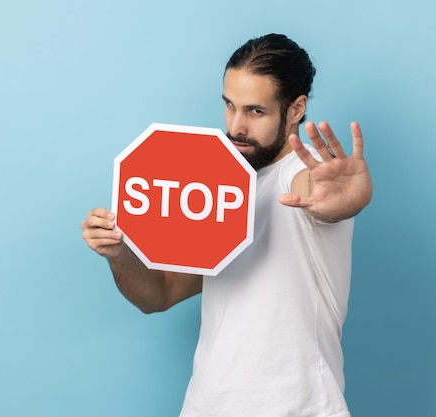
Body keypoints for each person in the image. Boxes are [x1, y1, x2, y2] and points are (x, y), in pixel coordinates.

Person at [81, 33, 372, 417]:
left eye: (255, 111)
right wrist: (118, 253)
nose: (236, 127)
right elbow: (159, 295)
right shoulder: (221, 188)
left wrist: (337, 200)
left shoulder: (307, 175)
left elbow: (316, 198)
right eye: (229, 106)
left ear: (296, 108)